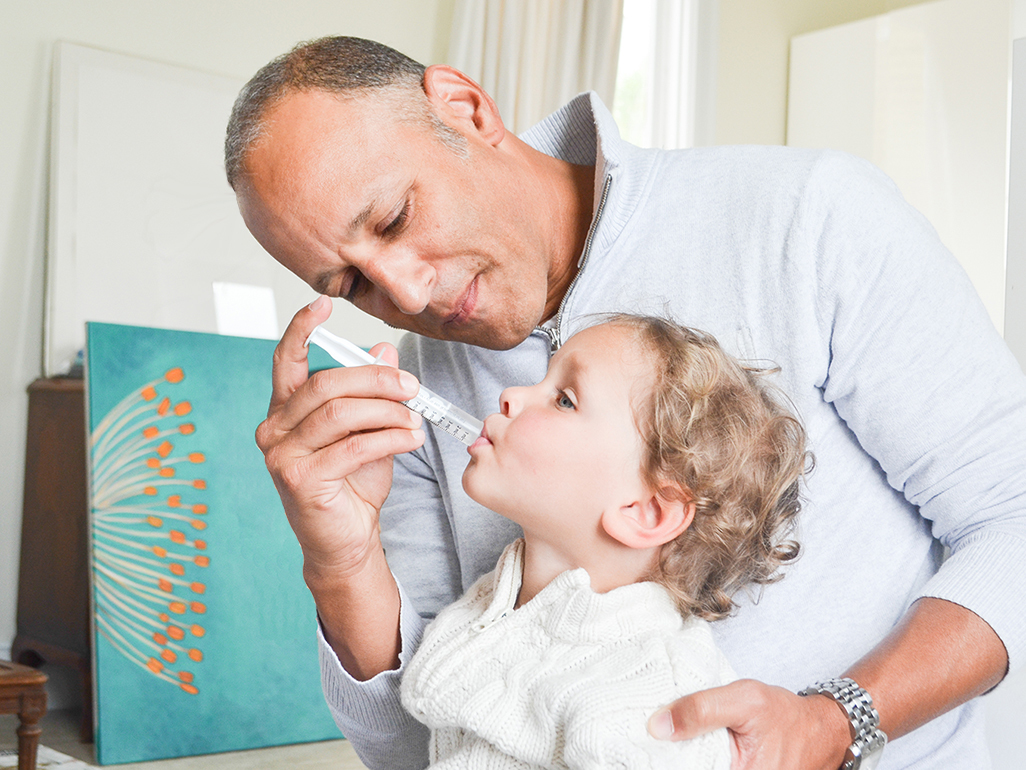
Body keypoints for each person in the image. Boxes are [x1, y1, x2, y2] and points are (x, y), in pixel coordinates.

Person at [225, 36, 1026, 770]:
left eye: (396, 217)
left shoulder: (807, 216)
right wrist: (341, 561)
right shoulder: (411, 386)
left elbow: (1013, 514)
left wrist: (836, 721)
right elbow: (427, 741)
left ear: (466, 110)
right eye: (349, 284)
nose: (407, 291)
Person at [400, 314, 806, 768]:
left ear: (645, 512)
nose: (510, 395)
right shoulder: (495, 602)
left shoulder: (646, 698)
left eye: (564, 400)